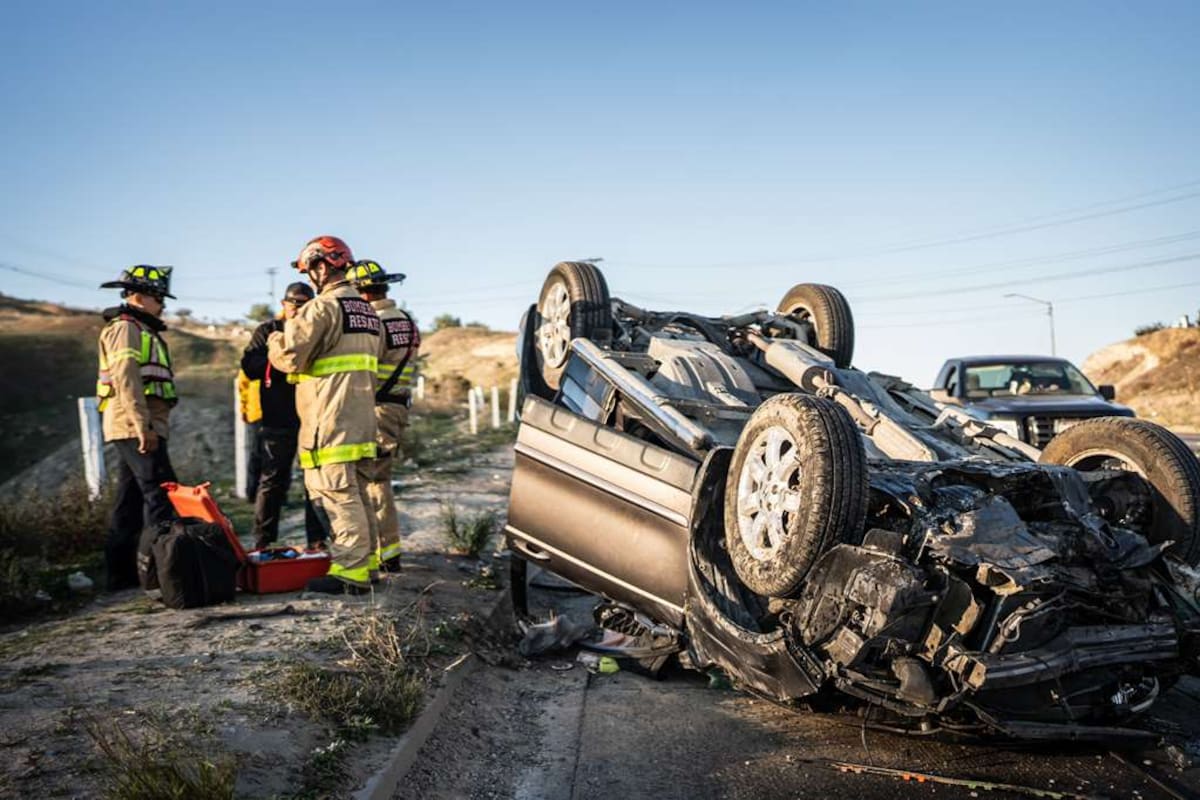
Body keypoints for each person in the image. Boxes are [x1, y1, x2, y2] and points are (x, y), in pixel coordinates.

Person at [268, 236, 382, 595]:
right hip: (360, 418)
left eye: (310, 270)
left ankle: (351, 573)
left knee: (337, 494)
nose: (310, 278)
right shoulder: (366, 312)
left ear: (321, 267)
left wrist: (273, 338)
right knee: (359, 494)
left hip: (330, 419)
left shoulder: (322, 309)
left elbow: (288, 355)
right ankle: (368, 565)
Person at [96, 265, 180, 590]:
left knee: (128, 502)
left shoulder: (144, 329)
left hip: (140, 424)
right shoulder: (125, 328)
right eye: (158, 297)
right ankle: (163, 572)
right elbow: (126, 379)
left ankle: (121, 577)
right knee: (160, 495)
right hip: (135, 425)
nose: (163, 305)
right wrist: (141, 426)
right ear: (138, 296)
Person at [240, 281, 328, 551]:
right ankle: (263, 542)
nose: (299, 309)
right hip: (277, 420)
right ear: (284, 304)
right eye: (295, 303)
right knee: (272, 482)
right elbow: (250, 366)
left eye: (305, 304)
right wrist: (280, 358)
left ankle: (316, 541)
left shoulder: (318, 332)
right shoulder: (268, 331)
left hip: (313, 421)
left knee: (315, 483)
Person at [347, 260, 420, 573]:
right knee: (381, 478)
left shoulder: (375, 323)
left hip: (376, 408)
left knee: (371, 480)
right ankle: (388, 552)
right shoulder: (405, 319)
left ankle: (382, 554)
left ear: (363, 293)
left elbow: (364, 365)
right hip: (396, 408)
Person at [236, 367, 263, 498]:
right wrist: (244, 409)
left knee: (257, 454)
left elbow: (243, 387)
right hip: (258, 414)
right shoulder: (253, 359)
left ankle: (253, 492)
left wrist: (244, 409)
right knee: (258, 454)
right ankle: (252, 491)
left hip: (257, 413)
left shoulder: (252, 357)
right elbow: (243, 386)